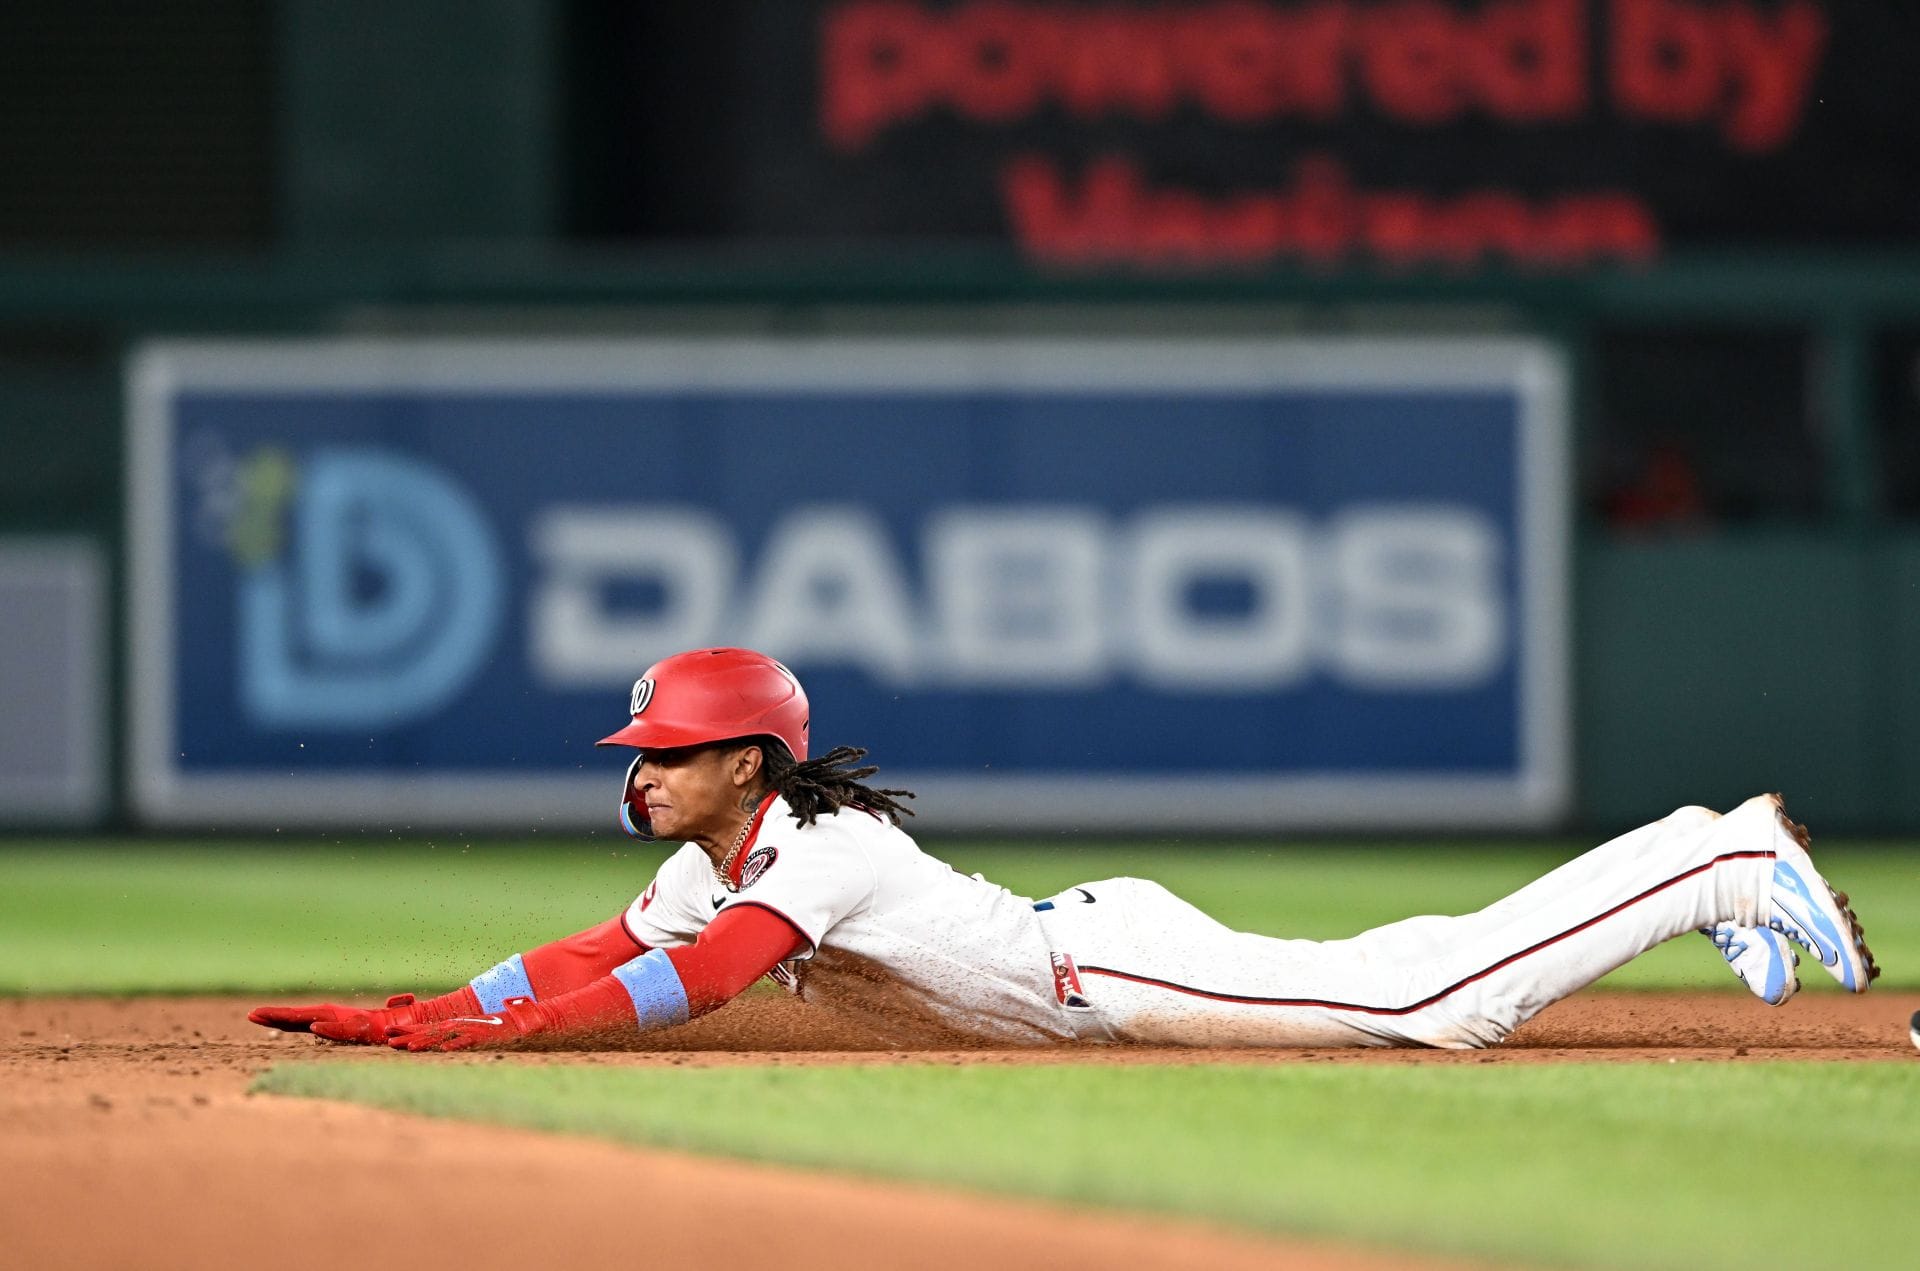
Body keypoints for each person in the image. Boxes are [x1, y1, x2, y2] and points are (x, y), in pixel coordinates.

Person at [250, 647, 1879, 1053]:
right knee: (1396, 973)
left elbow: (709, 979)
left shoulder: (808, 841)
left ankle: (1715, 862)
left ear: (744, 757)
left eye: (665, 754)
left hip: (1100, 964)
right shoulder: (723, 849)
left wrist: (512, 1039)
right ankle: (1679, 882)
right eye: (639, 755)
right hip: (1085, 947)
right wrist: (423, 1014)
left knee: (1422, 1008)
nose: (642, 777)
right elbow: (605, 952)